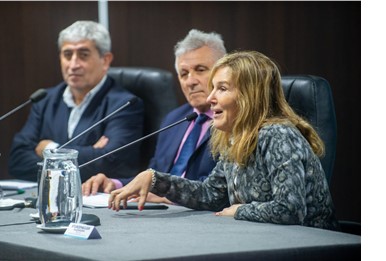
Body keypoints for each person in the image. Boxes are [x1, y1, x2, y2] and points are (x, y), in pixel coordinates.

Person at [108, 50, 340, 231]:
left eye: (222, 89)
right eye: (213, 89)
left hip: (308, 246)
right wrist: (156, 179)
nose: (210, 98)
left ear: (249, 96)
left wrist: (239, 211)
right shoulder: (234, 137)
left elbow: (290, 211)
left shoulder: (278, 134)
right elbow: (211, 195)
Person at [82, 29, 226, 204]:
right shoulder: (174, 119)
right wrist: (114, 183)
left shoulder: (232, 121)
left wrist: (168, 194)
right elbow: (154, 175)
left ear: (222, 73)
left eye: (200, 70)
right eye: (184, 74)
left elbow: (220, 190)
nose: (190, 81)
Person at [9, 21, 144, 182]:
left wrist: (50, 149)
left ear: (106, 60)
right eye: (67, 55)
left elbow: (111, 162)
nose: (73, 65)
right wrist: (89, 153)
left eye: (83, 55)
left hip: (98, 202)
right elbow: (17, 161)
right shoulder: (44, 100)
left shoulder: (125, 104)